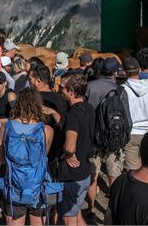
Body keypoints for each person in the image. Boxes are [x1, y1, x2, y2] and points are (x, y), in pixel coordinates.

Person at [0, 87, 54, 225]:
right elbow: (43, 157)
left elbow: (0, 158)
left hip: (13, 186)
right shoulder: (47, 130)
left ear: (18, 103)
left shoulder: (6, 127)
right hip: (37, 187)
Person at [56, 74, 95, 226]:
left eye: (63, 88)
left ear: (71, 92)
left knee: (68, 217)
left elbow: (70, 147)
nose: (60, 90)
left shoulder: (73, 114)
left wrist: (67, 154)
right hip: (84, 171)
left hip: (72, 175)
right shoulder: (89, 108)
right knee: (77, 214)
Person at [85, 57, 123, 203]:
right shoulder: (119, 89)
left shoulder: (90, 86)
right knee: (113, 173)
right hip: (113, 136)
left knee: (93, 175)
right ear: (115, 72)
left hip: (94, 136)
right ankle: (113, 207)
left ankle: (91, 209)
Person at [122, 57, 148, 170]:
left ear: (124, 72)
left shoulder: (121, 90)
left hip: (130, 134)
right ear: (140, 70)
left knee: (132, 171)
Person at [28, 64, 67, 170]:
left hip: (34, 156)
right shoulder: (61, 99)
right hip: (56, 154)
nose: (29, 82)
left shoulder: (30, 100)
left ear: (38, 81)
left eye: (30, 79)